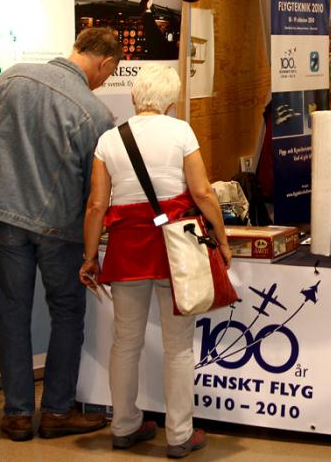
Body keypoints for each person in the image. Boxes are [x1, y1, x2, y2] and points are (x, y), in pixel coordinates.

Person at [0, 27, 122, 441]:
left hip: (5, 218)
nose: (104, 81)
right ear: (105, 64)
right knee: (67, 314)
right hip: (60, 228)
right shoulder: (95, 114)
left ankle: (17, 414)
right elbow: (96, 189)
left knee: (13, 311)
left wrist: (1, 187)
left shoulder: (11, 78)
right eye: (108, 74)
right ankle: (56, 411)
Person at [79, 64, 232, 457]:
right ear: (171, 100)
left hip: (128, 247)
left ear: (133, 97)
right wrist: (222, 238)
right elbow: (202, 192)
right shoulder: (180, 132)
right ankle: (179, 435)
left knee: (124, 342)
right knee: (178, 345)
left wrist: (89, 255)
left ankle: (124, 425)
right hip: (176, 248)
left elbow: (97, 204)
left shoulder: (109, 139)